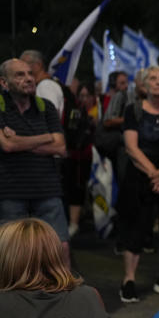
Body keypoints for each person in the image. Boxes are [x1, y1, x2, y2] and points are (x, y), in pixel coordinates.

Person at [0, 59, 70, 259]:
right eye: (20, 75)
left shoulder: (45, 106)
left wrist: (17, 141)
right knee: (10, 249)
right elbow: (7, 145)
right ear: (4, 83)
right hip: (9, 190)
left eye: (30, 73)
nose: (29, 79)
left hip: (47, 188)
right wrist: (46, 138)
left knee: (60, 245)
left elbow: (60, 147)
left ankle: (63, 289)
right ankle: (10, 290)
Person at [119, 65, 159, 303]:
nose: (157, 82)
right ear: (144, 85)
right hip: (140, 176)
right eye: (152, 78)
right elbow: (131, 148)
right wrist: (156, 175)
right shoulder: (133, 110)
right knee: (136, 226)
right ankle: (129, 279)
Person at [61, 82, 98, 237]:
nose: (83, 99)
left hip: (90, 157)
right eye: (81, 95)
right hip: (75, 157)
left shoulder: (97, 111)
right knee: (74, 188)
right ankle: (74, 222)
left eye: (86, 96)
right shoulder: (75, 110)